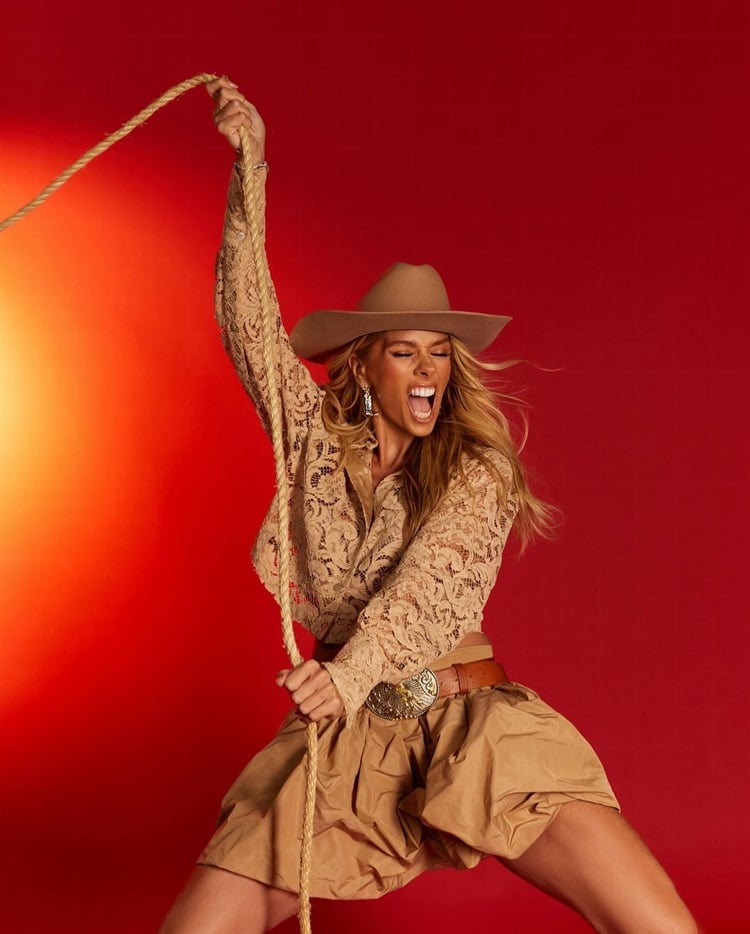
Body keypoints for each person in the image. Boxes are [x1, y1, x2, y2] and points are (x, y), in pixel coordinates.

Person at [160, 77, 698, 933]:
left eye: (439, 356)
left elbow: (426, 592)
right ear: (364, 365)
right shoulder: (310, 440)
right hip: (344, 741)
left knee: (660, 926)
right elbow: (249, 325)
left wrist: (344, 673)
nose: (426, 374)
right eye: (405, 354)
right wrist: (249, 170)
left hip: (467, 720)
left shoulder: (475, 469)